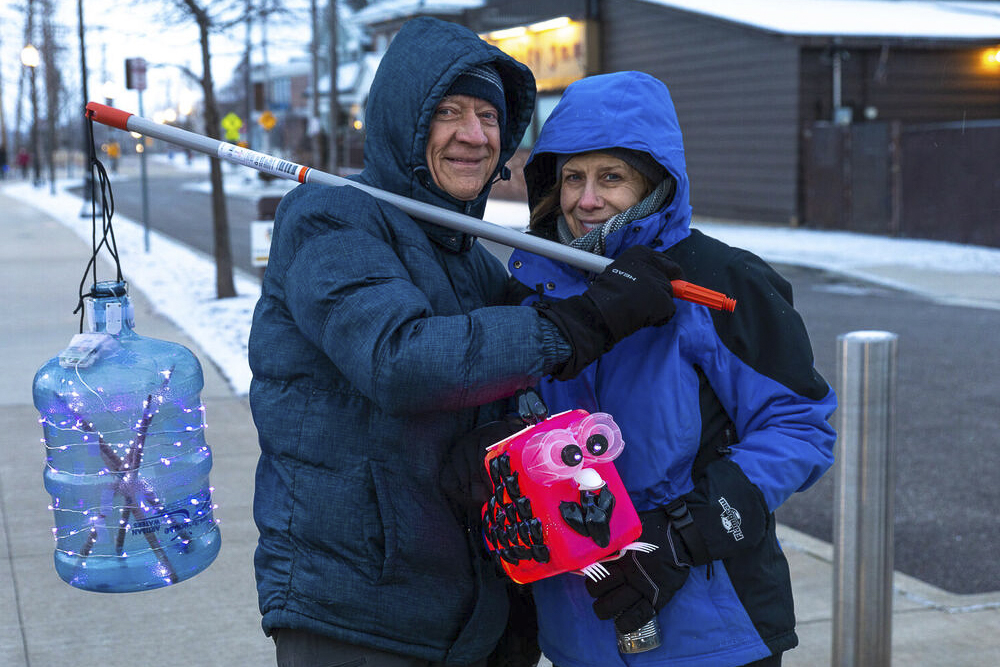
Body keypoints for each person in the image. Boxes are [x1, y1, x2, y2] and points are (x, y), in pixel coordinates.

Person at [248, 20, 684, 667]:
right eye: (448, 111)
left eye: (488, 116)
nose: (474, 134)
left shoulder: (467, 257)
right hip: (359, 610)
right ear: (403, 119)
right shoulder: (331, 218)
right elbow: (400, 359)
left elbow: (526, 374)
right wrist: (581, 321)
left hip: (468, 613)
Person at [507, 71, 838, 667]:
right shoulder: (534, 287)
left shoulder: (721, 279)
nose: (587, 200)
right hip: (579, 625)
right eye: (572, 178)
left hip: (714, 626)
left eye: (612, 177)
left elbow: (800, 425)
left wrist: (689, 531)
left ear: (657, 183)